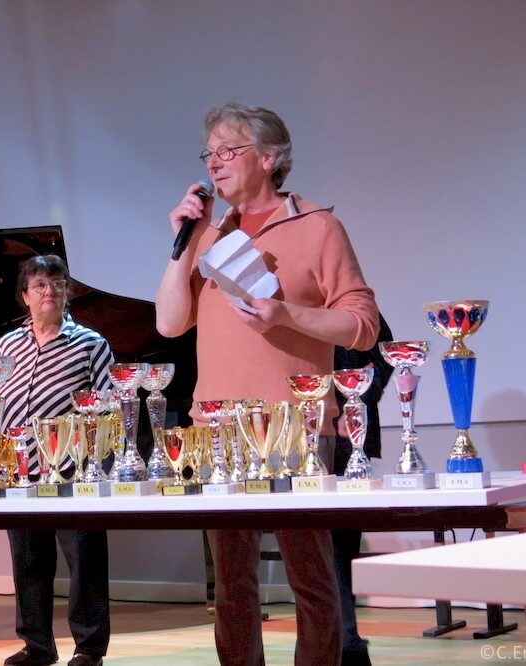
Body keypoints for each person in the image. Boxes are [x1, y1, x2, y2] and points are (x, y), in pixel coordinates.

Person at [156, 102, 380, 665]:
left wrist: (286, 315)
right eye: (209, 153)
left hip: (295, 424)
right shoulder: (209, 234)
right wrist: (182, 240)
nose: (214, 163)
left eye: (228, 150)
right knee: (232, 585)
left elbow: (363, 325)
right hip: (216, 428)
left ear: (269, 157)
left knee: (311, 579)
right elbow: (169, 323)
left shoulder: (317, 225)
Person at [0, 254, 114, 666]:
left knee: (85, 560)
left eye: (58, 284)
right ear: (25, 296)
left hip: (72, 466)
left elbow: (108, 405)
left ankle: (89, 648)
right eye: (40, 285)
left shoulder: (91, 343)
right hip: (21, 466)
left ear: (68, 292)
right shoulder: (7, 344)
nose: (50, 291)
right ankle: (37, 645)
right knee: (28, 559)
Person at [332, 313, 393, 666]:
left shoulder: (352, 299)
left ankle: (348, 644)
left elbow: (386, 354)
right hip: (293, 428)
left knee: (340, 544)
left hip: (346, 437)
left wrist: (357, 404)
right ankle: (335, 642)